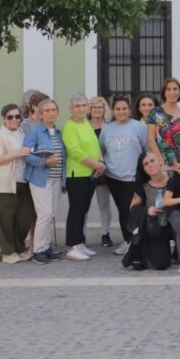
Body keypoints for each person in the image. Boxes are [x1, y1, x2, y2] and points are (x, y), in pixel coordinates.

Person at [99, 95, 149, 254]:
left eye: (124, 108)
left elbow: (147, 149)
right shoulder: (107, 129)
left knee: (128, 209)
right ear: (113, 111)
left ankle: (133, 241)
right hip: (113, 177)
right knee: (122, 210)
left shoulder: (139, 127)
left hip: (132, 177)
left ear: (129, 110)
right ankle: (128, 241)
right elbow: (101, 149)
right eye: (118, 109)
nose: (121, 111)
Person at [59, 94, 105, 261]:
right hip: (76, 174)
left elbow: (95, 145)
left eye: (84, 105)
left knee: (83, 210)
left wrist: (100, 161)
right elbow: (75, 151)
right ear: (71, 109)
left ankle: (79, 243)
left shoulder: (86, 123)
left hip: (89, 174)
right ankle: (72, 247)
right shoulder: (69, 126)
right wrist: (96, 165)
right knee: (76, 210)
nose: (81, 109)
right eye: (77, 106)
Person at [0, 103, 35, 264]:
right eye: (10, 117)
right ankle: (8, 252)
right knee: (6, 219)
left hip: (23, 181)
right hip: (4, 183)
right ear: (3, 118)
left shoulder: (22, 133)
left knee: (24, 218)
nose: (14, 119)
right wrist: (17, 153)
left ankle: (19, 248)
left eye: (17, 116)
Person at [22, 98, 67, 264]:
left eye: (53, 110)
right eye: (47, 110)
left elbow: (64, 158)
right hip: (40, 179)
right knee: (45, 213)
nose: (51, 113)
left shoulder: (59, 133)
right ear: (40, 114)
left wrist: (64, 181)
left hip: (56, 179)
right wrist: (44, 162)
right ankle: (38, 250)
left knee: (51, 214)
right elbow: (25, 154)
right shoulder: (35, 132)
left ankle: (46, 247)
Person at [86, 96, 115, 248]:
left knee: (104, 203)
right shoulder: (83, 127)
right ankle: (81, 235)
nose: (97, 110)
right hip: (86, 169)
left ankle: (105, 233)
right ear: (89, 110)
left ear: (104, 110)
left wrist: (102, 165)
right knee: (84, 204)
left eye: (100, 107)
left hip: (104, 171)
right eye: (94, 107)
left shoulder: (110, 127)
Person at [147, 77, 180, 172]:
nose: (172, 92)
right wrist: (161, 162)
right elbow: (151, 139)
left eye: (175, 89)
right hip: (162, 165)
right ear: (164, 92)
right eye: (168, 89)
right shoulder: (155, 112)